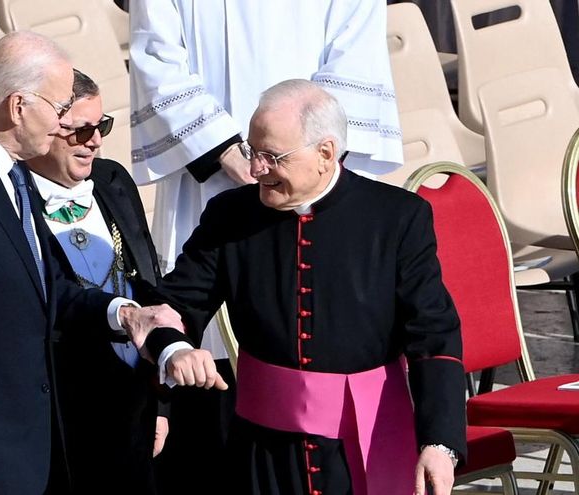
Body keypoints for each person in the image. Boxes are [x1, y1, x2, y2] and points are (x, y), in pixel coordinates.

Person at [0, 32, 210, 495]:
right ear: (18, 106)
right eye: (59, 109)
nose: (61, 125)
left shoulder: (10, 172)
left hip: (31, 438)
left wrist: (123, 313)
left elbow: (46, 286)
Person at [148, 80, 466, 495]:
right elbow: (175, 303)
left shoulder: (397, 218)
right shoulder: (230, 215)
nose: (256, 169)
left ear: (325, 153)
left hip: (366, 444)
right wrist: (173, 347)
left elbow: (433, 333)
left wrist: (440, 442)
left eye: (272, 156)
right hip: (262, 452)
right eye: (252, 151)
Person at [129, 4, 403, 484]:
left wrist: (300, 158)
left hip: (312, 176)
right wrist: (227, 151)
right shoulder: (226, 206)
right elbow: (156, 54)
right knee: (204, 380)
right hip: (209, 180)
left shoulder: (402, 218)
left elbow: (353, 49)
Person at [25, 69, 165, 494]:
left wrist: (162, 403)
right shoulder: (13, 196)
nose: (95, 141)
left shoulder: (112, 179)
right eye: (80, 130)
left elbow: (147, 280)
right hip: (61, 409)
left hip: (134, 398)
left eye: (101, 126)